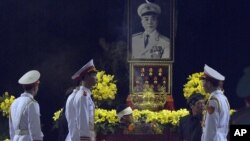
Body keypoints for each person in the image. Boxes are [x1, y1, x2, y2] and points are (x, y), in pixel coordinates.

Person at [9, 70, 44, 141]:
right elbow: (35, 132)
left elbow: (11, 130)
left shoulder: (14, 103)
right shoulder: (32, 103)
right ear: (35, 86)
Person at [201, 64, 230, 141]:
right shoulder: (224, 98)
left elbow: (210, 129)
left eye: (203, 81)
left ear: (209, 83)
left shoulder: (214, 101)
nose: (202, 85)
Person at [72, 59, 98, 141]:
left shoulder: (86, 95)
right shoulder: (83, 96)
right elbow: (83, 122)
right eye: (94, 75)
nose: (96, 78)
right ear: (86, 76)